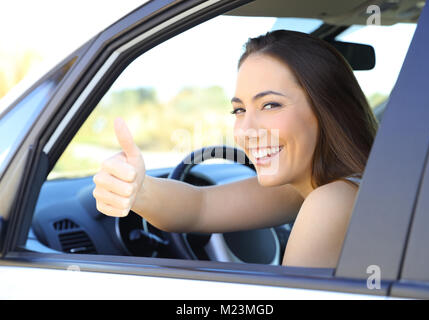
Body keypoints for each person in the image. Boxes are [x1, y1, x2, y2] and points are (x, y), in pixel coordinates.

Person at [92, 30, 378, 268]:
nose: (246, 130)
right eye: (239, 110)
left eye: (270, 105)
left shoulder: (331, 200)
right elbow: (200, 207)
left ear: (328, 109)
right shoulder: (324, 185)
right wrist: (137, 189)